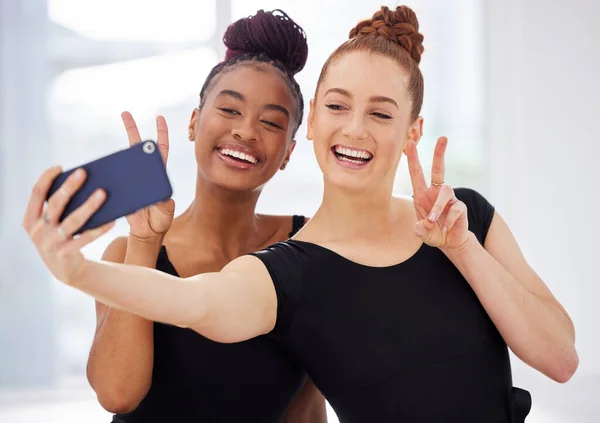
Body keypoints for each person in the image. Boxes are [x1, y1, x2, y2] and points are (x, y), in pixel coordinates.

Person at [25, 5, 578, 422]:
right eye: (337, 106)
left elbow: (559, 359)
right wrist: (86, 267)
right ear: (315, 122)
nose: (355, 128)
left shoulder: (453, 222)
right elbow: (187, 312)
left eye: (380, 113)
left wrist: (463, 250)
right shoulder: (286, 271)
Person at [44, 9, 324, 423]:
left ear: (288, 154)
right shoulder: (127, 250)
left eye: (269, 122)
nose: (246, 131)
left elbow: (306, 407)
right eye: (229, 111)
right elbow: (117, 394)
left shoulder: (310, 251)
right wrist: (144, 243)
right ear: (194, 123)